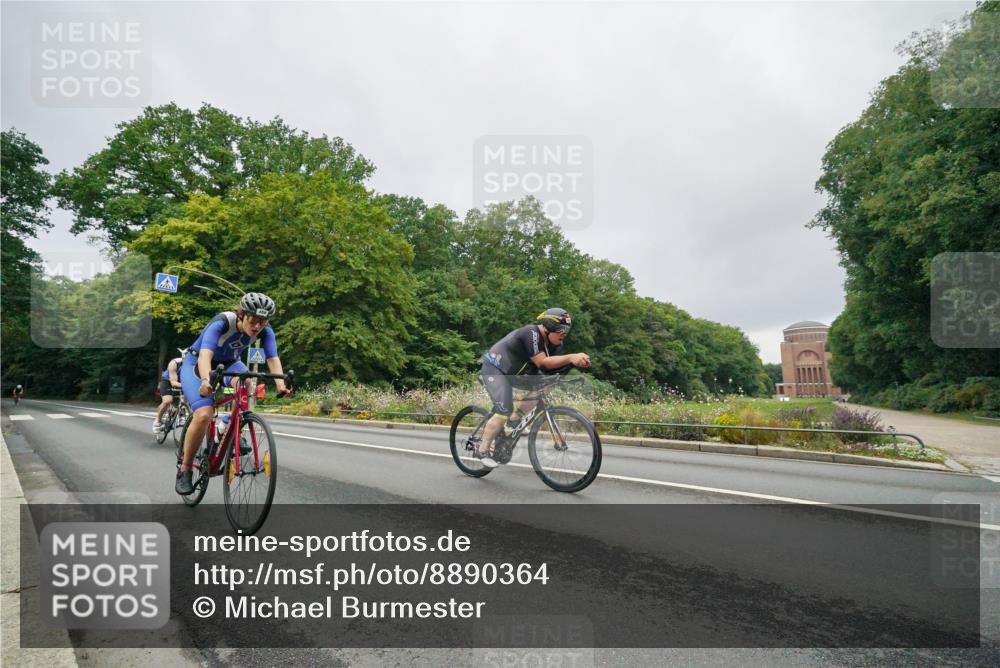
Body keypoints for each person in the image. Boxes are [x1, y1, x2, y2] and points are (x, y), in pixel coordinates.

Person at [175, 292, 292, 495]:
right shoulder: (222, 323)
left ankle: (230, 426)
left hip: (229, 363)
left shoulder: (266, 331)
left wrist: (281, 385)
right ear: (241, 315)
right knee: (203, 414)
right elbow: (205, 356)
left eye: (262, 322)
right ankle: (185, 469)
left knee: (245, 381)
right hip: (197, 362)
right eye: (253, 320)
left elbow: (273, 358)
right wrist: (205, 381)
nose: (257, 326)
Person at [477, 308, 591, 468]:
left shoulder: (555, 344)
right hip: (495, 369)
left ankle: (515, 419)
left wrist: (572, 364)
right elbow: (542, 362)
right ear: (548, 327)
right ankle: (482, 449)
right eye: (561, 330)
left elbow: (549, 371)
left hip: (515, 374)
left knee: (548, 383)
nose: (564, 334)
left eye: (566, 331)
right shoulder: (531, 333)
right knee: (503, 410)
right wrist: (571, 357)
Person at [153, 355, 184, 434]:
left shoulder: (195, 364)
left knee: (187, 397)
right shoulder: (174, 363)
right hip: (168, 381)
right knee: (167, 401)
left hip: (182, 382)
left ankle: (181, 415)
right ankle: (158, 420)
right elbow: (173, 382)